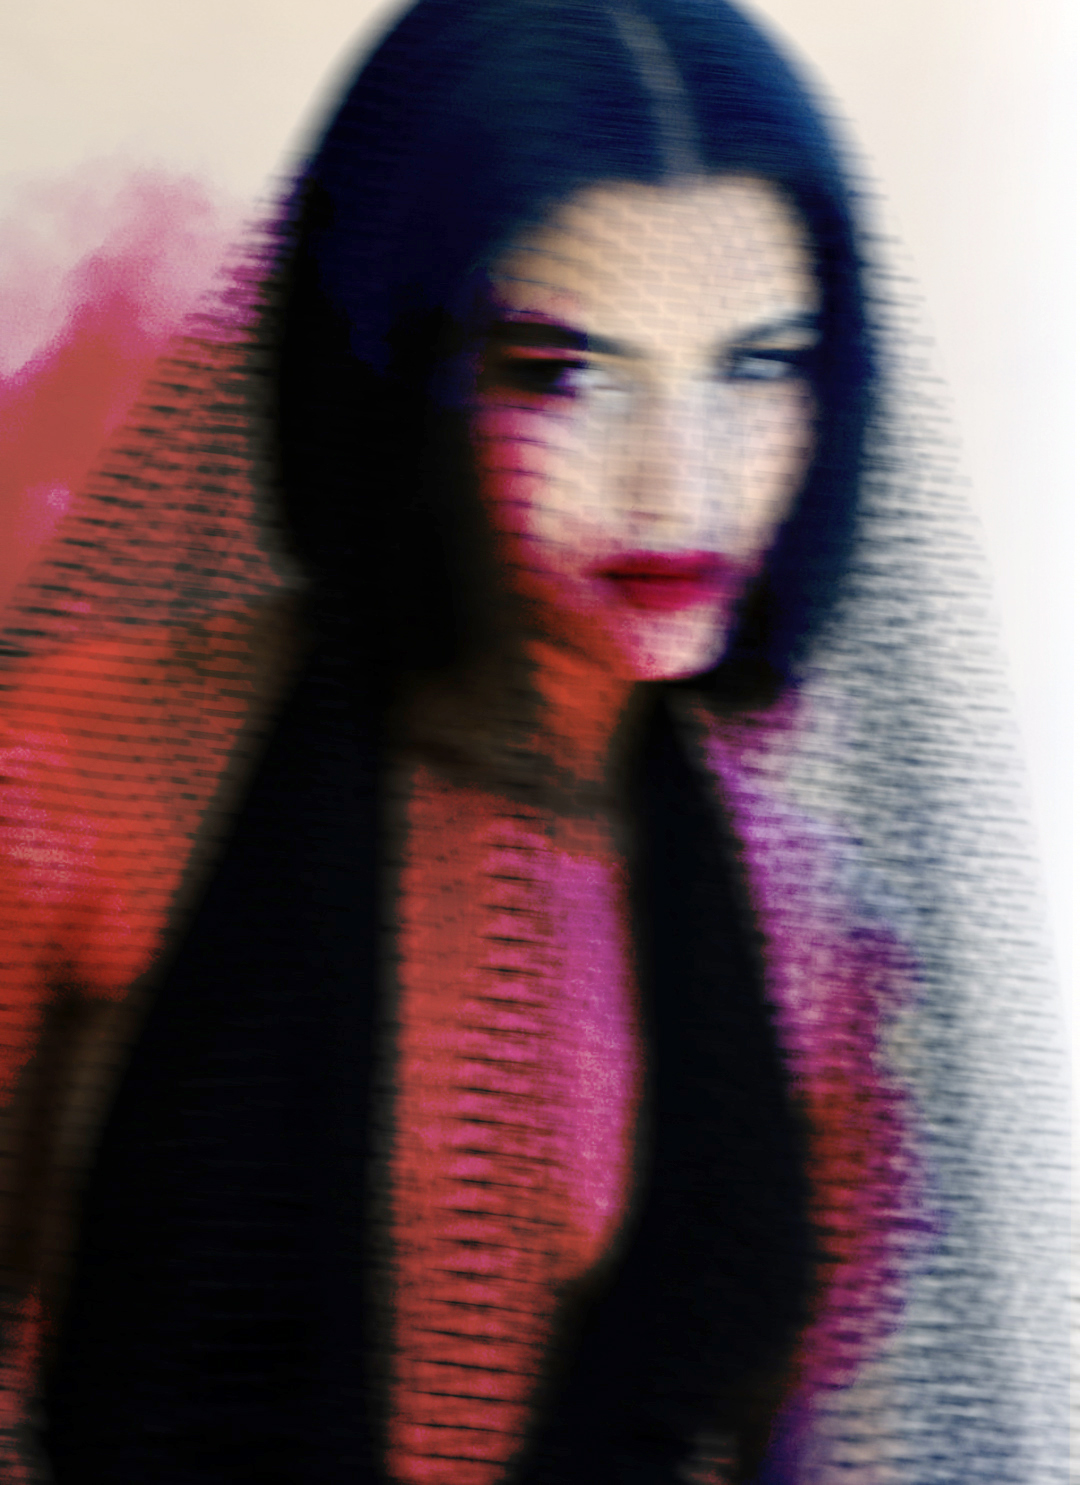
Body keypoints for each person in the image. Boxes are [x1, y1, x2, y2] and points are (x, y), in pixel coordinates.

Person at [0, 0, 1067, 1481]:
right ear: (404, 364)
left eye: (758, 366)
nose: (679, 482)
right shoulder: (78, 790)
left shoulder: (809, 941)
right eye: (565, 371)